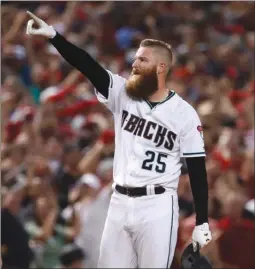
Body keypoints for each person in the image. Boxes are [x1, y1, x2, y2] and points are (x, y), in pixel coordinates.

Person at [26, 11, 212, 268]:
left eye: (142, 60)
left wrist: (202, 220)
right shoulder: (123, 94)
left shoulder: (185, 115)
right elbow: (87, 64)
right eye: (136, 59)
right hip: (119, 200)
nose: (134, 64)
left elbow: (197, 171)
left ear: (161, 68)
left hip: (157, 204)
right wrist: (55, 37)